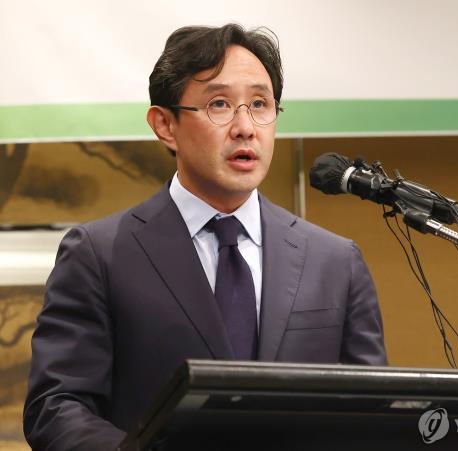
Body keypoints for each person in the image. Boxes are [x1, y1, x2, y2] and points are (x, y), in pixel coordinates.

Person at [23, 23, 387, 450]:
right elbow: (57, 406)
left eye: (259, 104)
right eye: (219, 104)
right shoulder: (99, 254)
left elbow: (371, 410)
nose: (245, 127)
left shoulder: (335, 260)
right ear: (165, 125)